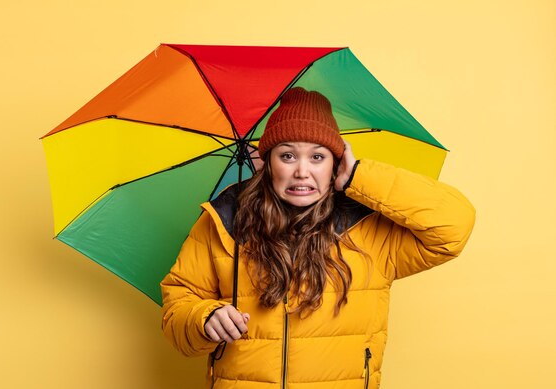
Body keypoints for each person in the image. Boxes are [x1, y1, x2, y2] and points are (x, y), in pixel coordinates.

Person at [161, 87, 475, 388]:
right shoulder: (223, 222)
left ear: (335, 163)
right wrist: (205, 318)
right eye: (287, 156)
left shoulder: (369, 229)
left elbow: (454, 226)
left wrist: (359, 177)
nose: (301, 171)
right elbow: (179, 308)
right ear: (267, 162)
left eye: (317, 157)